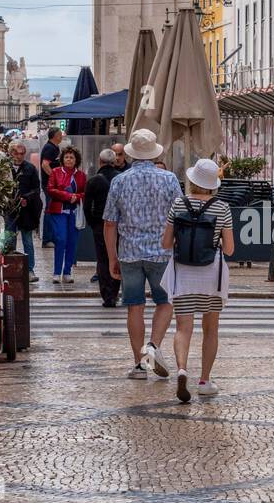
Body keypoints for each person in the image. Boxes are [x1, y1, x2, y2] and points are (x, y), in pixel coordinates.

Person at [103, 128, 180, 380]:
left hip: (129, 252)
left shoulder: (119, 181)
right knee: (165, 302)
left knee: (134, 306)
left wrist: (112, 257)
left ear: (131, 153)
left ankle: (139, 365)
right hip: (162, 251)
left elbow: (110, 223)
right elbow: (179, 216)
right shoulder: (168, 179)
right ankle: (153, 347)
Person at [161, 157, 235, 402]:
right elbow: (230, 249)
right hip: (211, 275)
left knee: (183, 328)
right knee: (210, 327)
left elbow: (166, 243)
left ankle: (182, 369)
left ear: (192, 181)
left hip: (183, 273)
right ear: (213, 183)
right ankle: (204, 380)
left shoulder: (178, 204)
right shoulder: (222, 208)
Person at [83, 148, 122, 306]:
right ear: (114, 162)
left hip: (100, 224)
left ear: (100, 162)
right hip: (119, 225)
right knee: (117, 256)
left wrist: (93, 224)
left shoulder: (93, 181)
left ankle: (107, 295)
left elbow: (87, 207)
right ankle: (114, 291)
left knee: (103, 259)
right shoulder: (120, 179)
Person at [46, 145, 87, 284]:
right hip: (58, 211)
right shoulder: (55, 172)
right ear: (62, 159)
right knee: (61, 239)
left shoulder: (81, 175)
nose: (69, 160)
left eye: (72, 157)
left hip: (75, 212)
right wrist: (68, 196)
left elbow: (85, 192)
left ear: (76, 160)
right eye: (67, 157)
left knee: (72, 242)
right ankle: (57, 272)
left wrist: (77, 196)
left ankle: (67, 271)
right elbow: (50, 189)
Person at [7, 139, 42, 280]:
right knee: (10, 239)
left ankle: (29, 270)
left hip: (26, 210)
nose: (19, 156)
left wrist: (26, 198)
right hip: (10, 209)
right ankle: (12, 269)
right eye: (16, 153)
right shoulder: (5, 167)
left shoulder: (30, 168)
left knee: (27, 240)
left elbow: (36, 189)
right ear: (11, 153)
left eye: (22, 153)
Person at [40, 128, 63, 247]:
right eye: (60, 134)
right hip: (49, 184)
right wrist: (55, 178)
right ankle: (47, 239)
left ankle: (51, 237)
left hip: (49, 183)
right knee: (49, 210)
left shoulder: (54, 147)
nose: (61, 136)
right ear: (55, 136)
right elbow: (45, 165)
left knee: (52, 209)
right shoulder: (50, 148)